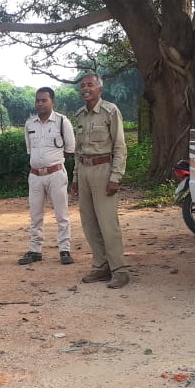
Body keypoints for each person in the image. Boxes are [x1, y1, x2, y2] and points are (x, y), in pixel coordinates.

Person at [73, 73, 129, 288]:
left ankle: (120, 270)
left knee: (107, 223)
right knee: (89, 223)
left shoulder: (110, 111)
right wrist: (76, 178)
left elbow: (120, 146)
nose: (85, 89)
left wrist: (115, 177)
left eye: (90, 85)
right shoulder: (80, 115)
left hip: (103, 169)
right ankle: (101, 266)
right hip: (84, 170)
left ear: (100, 89)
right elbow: (78, 151)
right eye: (83, 86)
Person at [19, 87, 77, 266]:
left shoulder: (62, 122)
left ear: (53, 102)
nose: (40, 103)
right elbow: (30, 150)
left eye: (44, 100)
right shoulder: (30, 124)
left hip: (56, 174)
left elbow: (70, 149)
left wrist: (54, 163)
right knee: (35, 214)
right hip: (35, 175)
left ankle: (64, 250)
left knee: (62, 214)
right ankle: (35, 250)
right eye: (37, 100)